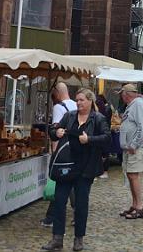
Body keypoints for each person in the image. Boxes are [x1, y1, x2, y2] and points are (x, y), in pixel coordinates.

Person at [42, 89, 109, 251]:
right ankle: (57, 238)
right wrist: (55, 132)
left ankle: (79, 238)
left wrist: (89, 139)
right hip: (66, 166)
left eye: (81, 100)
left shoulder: (98, 118)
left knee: (81, 204)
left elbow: (107, 138)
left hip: (85, 168)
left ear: (90, 101)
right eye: (77, 100)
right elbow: (53, 130)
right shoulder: (70, 116)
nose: (78, 103)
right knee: (59, 201)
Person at [42, 82, 78, 227]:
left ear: (57, 92)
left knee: (61, 183)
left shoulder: (58, 107)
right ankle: (74, 213)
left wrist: (54, 153)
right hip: (74, 150)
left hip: (62, 151)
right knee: (70, 183)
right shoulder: (76, 105)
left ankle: (52, 217)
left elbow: (56, 131)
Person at [117, 84, 143, 220]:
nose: (121, 97)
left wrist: (134, 144)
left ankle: (139, 206)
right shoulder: (132, 105)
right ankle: (135, 204)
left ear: (126, 94)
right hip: (130, 149)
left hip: (135, 149)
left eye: (121, 94)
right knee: (130, 176)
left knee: (133, 176)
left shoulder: (138, 104)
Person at [95, 94, 113, 179]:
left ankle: (104, 171)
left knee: (104, 153)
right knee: (103, 152)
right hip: (105, 132)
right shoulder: (107, 108)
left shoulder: (105, 109)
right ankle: (102, 170)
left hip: (103, 133)